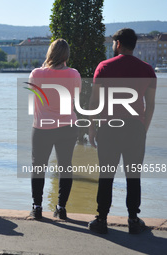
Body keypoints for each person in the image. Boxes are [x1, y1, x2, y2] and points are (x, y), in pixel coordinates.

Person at [88, 28, 156, 234]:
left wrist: (92, 128)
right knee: (133, 175)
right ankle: (133, 220)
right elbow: (150, 104)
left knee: (106, 174)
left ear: (118, 43)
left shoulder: (104, 67)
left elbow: (94, 101)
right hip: (135, 128)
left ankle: (101, 220)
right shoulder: (147, 69)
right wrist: (143, 128)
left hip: (109, 128)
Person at [28, 39, 81, 220]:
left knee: (38, 166)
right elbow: (75, 98)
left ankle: (37, 207)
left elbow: (33, 98)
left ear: (50, 53)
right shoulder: (74, 74)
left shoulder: (36, 73)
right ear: (66, 55)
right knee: (66, 166)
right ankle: (61, 208)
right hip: (68, 126)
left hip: (43, 126)